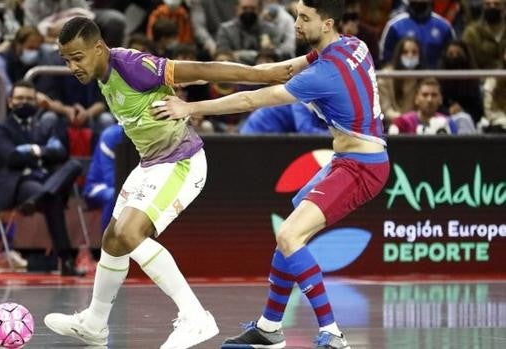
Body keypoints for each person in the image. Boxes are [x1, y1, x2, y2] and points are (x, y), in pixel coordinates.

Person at [43, 16, 295, 349]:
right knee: (114, 240)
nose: (73, 66)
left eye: (78, 57)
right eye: (66, 59)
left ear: (100, 48)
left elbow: (204, 69)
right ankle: (94, 323)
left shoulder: (133, 65)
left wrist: (265, 74)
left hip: (181, 162)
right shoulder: (100, 73)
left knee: (131, 235)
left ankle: (195, 317)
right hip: (151, 163)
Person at [153, 1, 389, 348]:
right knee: (291, 228)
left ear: (326, 24)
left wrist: (189, 106)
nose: (296, 24)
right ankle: (268, 327)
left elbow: (252, 101)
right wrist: (213, 72)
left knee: (291, 236)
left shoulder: (322, 74)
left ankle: (333, 334)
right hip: (351, 159)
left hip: (362, 169)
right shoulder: (353, 45)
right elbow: (275, 71)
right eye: (296, 15)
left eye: (304, 19)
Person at [0, 80, 86, 276]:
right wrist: (42, 151)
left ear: (36, 101)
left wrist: (30, 151)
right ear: (10, 102)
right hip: (19, 183)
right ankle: (66, 261)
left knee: (74, 165)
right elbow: (11, 157)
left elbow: (61, 153)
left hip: (46, 180)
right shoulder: (0, 127)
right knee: (54, 199)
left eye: (29, 99)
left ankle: (40, 198)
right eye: (19, 99)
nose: (24, 102)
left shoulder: (44, 123)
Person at [379, 0, 456, 68]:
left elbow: (453, 58)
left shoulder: (444, 26)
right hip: (401, 79)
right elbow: (385, 60)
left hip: (436, 80)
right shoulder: (395, 26)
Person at [388, 77, 476, 135]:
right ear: (416, 99)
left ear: (440, 99)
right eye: (425, 95)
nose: (429, 99)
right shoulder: (403, 122)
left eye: (434, 95)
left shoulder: (449, 123)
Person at [82, 123, 124, 232]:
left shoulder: (144, 137)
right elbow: (111, 179)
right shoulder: (110, 135)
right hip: (96, 187)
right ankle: (107, 244)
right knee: (114, 195)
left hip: (124, 188)